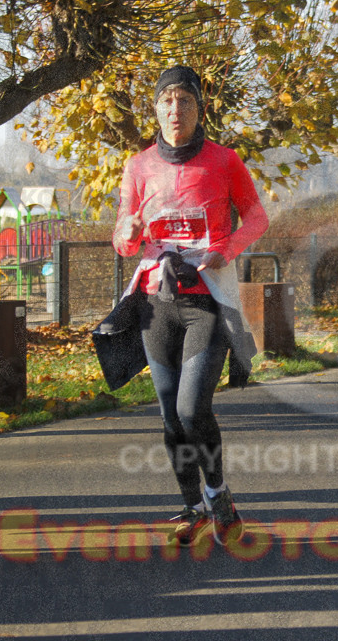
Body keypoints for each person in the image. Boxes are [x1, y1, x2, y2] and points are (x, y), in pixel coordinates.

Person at [101, 66, 268, 548]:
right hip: (157, 305)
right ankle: (190, 504)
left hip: (207, 302)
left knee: (193, 408)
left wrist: (228, 248)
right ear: (156, 109)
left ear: (200, 109)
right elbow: (122, 240)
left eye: (186, 102)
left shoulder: (224, 161)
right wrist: (127, 235)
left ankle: (219, 497)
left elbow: (257, 217)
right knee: (170, 415)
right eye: (167, 102)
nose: (176, 111)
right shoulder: (138, 166)